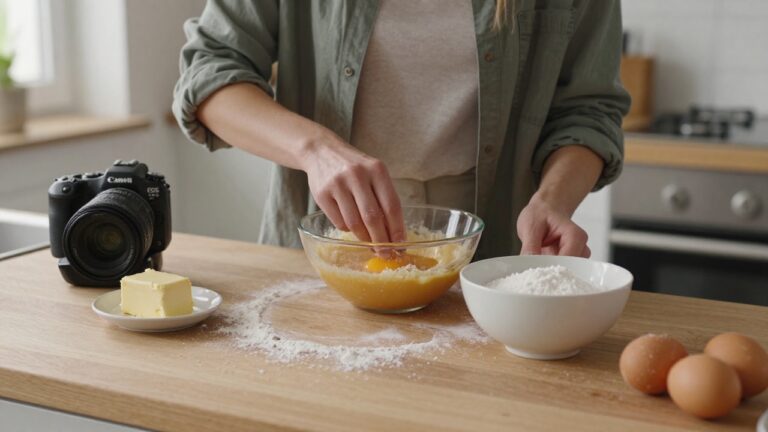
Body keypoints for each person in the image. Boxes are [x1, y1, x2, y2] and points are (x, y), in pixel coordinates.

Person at [173, 0, 630, 259]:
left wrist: (553, 200)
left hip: (493, 248)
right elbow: (208, 75)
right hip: (319, 244)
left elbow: (587, 110)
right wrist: (315, 150)